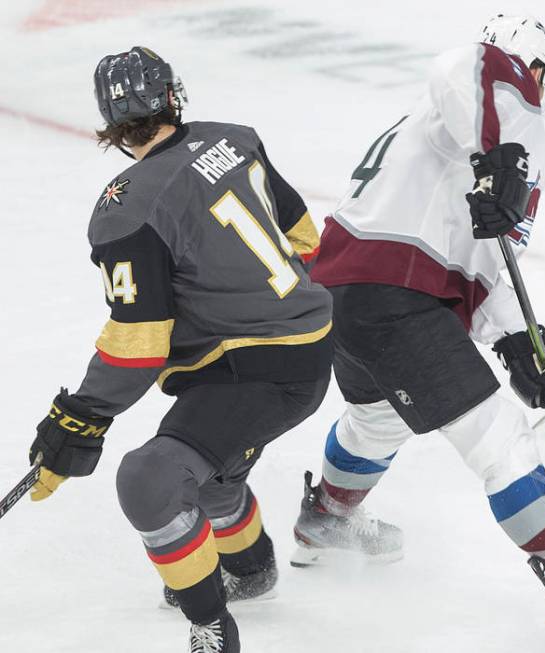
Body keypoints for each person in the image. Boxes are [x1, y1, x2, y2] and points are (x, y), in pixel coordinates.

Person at [292, 15, 545, 649]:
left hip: (343, 295)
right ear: (533, 69)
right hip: (395, 296)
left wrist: (522, 341)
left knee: (377, 422)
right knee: (502, 442)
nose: (533, 95)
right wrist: (504, 157)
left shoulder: (443, 134)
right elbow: (469, 62)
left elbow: (485, 259)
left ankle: (327, 517)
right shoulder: (493, 89)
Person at [26, 47, 334, 652]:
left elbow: (140, 344)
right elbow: (305, 240)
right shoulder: (235, 138)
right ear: (173, 96)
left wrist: (81, 416)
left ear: (110, 125)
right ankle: (251, 570)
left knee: (152, 479)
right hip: (303, 350)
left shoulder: (126, 207)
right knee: (212, 471)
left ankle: (211, 626)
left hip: (250, 369)